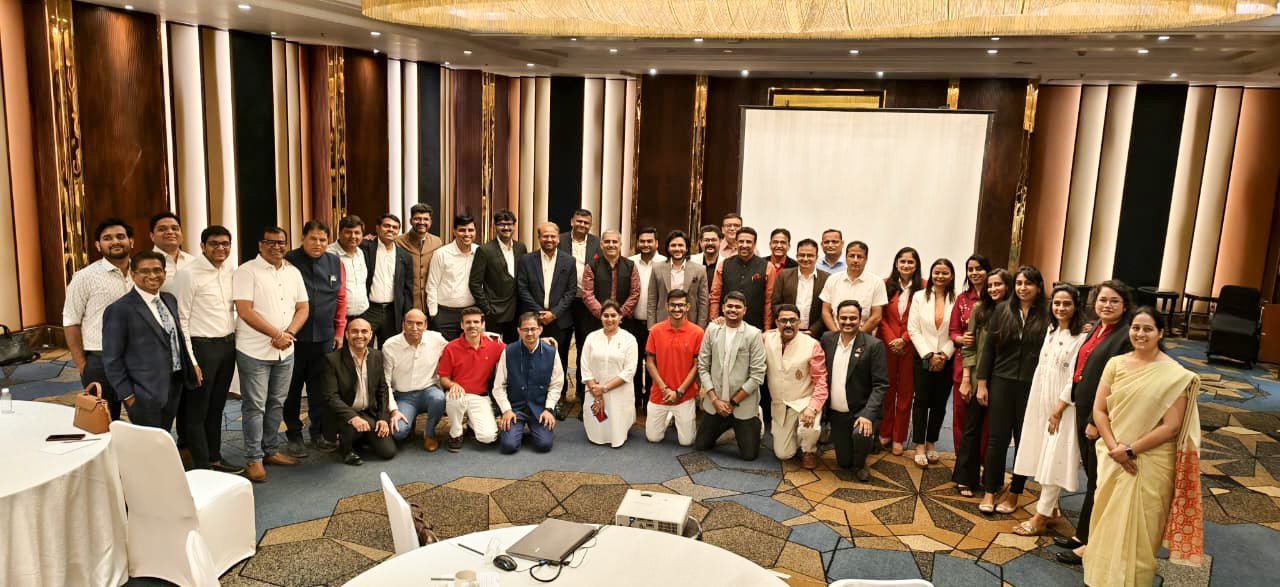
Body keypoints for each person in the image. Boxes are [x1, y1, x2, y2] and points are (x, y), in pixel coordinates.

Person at [1083, 307, 1202, 586]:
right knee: (1107, 520)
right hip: (1113, 456)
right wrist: (1115, 448)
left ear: (1161, 333)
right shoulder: (1115, 364)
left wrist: (1131, 451)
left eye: (1148, 329)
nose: (1140, 334)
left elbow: (1171, 426)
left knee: (1142, 532)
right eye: (1136, 328)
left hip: (1149, 461)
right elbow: (1099, 410)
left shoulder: (1174, 375)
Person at [1055, 280, 1134, 565]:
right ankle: (1082, 535)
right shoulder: (1098, 327)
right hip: (1084, 408)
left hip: (1099, 417)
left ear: (1125, 305)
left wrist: (1094, 421)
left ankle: (1091, 543)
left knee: (1099, 480)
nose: (1107, 305)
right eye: (1102, 300)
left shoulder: (1125, 335)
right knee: (1093, 478)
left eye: (1114, 301)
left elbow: (1116, 384)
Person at [1011, 284, 1088, 536]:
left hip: (1063, 406)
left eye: (1067, 304)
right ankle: (1052, 509)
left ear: (1076, 306)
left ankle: (1040, 517)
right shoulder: (1052, 330)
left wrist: (1058, 409)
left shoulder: (1081, 337)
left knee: (1055, 458)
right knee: (1042, 454)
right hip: (1042, 400)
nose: (1061, 308)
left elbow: (1075, 378)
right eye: (1057, 303)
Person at [233, 226, 308, 482]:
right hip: (254, 350)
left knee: (276, 402)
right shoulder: (246, 271)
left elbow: (303, 308)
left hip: (285, 351)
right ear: (260, 245)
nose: (277, 247)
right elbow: (245, 310)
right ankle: (254, 459)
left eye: (281, 242)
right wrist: (276, 334)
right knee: (254, 405)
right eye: (271, 242)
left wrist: (289, 334)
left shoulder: (293, 272)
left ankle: (270, 450)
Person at [975, 266, 1049, 514]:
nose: (1023, 288)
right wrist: (982, 383)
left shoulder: (1047, 315)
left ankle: (1015, 493)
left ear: (1038, 287)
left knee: (1023, 441)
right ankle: (989, 491)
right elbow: (989, 349)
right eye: (1019, 283)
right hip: (1001, 381)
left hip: (1032, 386)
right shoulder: (1002, 310)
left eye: (1028, 283)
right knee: (996, 439)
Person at [172, 225, 242, 473]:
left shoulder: (231, 271)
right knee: (197, 410)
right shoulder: (188, 274)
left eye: (225, 244)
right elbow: (181, 319)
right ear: (202, 246)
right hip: (201, 348)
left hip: (227, 346)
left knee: (217, 407)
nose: (220, 248)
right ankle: (201, 466)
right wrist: (191, 360)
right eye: (214, 243)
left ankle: (214, 457)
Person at [102, 251, 199, 429]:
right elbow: (111, 359)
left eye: (157, 270)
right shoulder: (119, 309)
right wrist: (128, 396)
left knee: (163, 435)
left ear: (164, 273)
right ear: (133, 275)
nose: (153, 275)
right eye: (145, 271)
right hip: (143, 393)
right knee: (146, 441)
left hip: (173, 385)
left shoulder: (169, 300)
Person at [283, 221, 347, 456]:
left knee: (320, 389)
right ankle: (294, 434)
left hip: (324, 337)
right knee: (292, 388)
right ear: (303, 238)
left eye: (323, 240)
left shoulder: (335, 262)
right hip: (294, 337)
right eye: (313, 239)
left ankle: (317, 432)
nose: (318, 244)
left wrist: (339, 331)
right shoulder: (289, 260)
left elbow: (341, 299)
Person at [65, 218, 135, 420]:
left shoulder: (142, 272)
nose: (115, 241)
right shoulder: (85, 277)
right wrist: (82, 364)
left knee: (143, 418)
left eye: (120, 236)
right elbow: (71, 321)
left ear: (131, 241)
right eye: (107, 238)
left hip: (138, 357)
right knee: (103, 421)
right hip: (100, 359)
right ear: (98, 245)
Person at [953, 269, 1013, 497]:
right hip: (978, 376)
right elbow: (969, 347)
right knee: (972, 427)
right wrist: (966, 379)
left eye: (998, 284)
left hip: (1004, 379)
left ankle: (992, 481)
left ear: (1008, 286)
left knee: (998, 433)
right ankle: (964, 478)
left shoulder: (1015, 312)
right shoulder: (980, 309)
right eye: (990, 285)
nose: (993, 289)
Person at [821, 300, 889, 481]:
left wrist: (867, 414)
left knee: (861, 434)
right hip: (837, 413)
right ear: (837, 318)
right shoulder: (827, 339)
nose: (848, 322)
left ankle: (861, 463)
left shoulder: (874, 345)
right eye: (843, 318)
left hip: (861, 410)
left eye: (853, 318)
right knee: (843, 462)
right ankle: (857, 447)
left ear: (861, 320)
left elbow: (881, 385)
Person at [694, 292, 766, 461]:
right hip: (716, 402)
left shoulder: (753, 334)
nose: (733, 310)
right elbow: (703, 367)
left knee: (749, 455)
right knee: (701, 445)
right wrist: (714, 400)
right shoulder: (712, 329)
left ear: (744, 310)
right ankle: (728, 424)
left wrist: (732, 403)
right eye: (730, 306)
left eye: (738, 307)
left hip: (741, 403)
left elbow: (757, 375)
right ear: (723, 308)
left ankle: (756, 419)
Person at [517, 222, 578, 416]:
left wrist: (554, 313)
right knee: (531, 360)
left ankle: (557, 400)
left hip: (559, 320)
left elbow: (571, 291)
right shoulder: (527, 260)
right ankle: (533, 400)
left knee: (559, 361)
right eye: (545, 236)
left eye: (553, 236)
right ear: (539, 238)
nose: (549, 239)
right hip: (532, 322)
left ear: (558, 238)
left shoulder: (569, 261)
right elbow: (522, 288)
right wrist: (538, 313)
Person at [322, 318, 395, 466]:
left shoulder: (377, 356)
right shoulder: (332, 360)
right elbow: (331, 397)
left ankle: (362, 437)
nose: (359, 335)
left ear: (371, 335)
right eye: (354, 331)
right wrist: (353, 417)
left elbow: (382, 389)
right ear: (347, 335)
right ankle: (345, 448)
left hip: (368, 412)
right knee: (352, 425)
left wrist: (382, 418)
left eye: (364, 331)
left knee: (388, 452)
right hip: (344, 414)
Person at [764, 305, 829, 469]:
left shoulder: (812, 345)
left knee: (809, 428)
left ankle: (809, 450)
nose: (788, 324)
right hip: (780, 405)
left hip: (804, 402)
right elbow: (746, 335)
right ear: (776, 323)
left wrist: (813, 408)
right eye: (783, 320)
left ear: (799, 322)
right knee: (783, 454)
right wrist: (721, 322)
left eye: (793, 320)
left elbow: (821, 382)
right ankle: (796, 436)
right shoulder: (766, 339)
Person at [906, 258, 956, 468]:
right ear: (931, 274)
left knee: (939, 403)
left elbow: (958, 330)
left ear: (951, 276)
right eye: (937, 272)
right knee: (921, 401)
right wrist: (929, 355)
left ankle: (931, 443)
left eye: (945, 273)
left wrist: (943, 354)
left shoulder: (957, 299)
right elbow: (913, 329)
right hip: (923, 357)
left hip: (947, 358)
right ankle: (918, 445)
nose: (940, 276)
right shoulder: (919, 296)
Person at [492, 312, 563, 454]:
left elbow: (556, 384)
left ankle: (532, 431)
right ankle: (515, 432)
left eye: (533, 329)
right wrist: (506, 410)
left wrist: (549, 409)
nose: (530, 333)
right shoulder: (508, 351)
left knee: (544, 445)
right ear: (519, 331)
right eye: (525, 329)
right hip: (515, 408)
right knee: (508, 446)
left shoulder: (551, 352)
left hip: (540, 409)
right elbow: (499, 386)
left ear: (540, 330)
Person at [438, 307, 505, 452]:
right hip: (458, 394)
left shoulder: (494, 345)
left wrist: (540, 340)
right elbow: (443, 378)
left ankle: (471, 424)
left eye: (476, 322)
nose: (472, 325)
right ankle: (455, 433)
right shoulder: (451, 347)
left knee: (488, 437)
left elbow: (517, 350)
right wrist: (452, 385)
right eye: (468, 322)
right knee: (455, 397)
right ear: (462, 325)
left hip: (479, 396)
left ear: (482, 324)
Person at [644, 289, 705, 446]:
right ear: (666, 306)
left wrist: (679, 392)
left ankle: (676, 416)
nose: (677, 309)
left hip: (684, 395)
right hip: (660, 394)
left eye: (681, 305)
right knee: (653, 438)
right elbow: (650, 362)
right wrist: (665, 389)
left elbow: (697, 366)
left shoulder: (698, 333)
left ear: (688, 307)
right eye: (673, 305)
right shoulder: (655, 330)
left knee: (687, 442)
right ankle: (670, 416)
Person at [877, 246, 922, 456]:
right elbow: (880, 316)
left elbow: (921, 318)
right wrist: (891, 339)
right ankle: (885, 431)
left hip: (910, 346)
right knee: (887, 390)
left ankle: (899, 437)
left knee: (905, 393)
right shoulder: (885, 284)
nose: (906, 265)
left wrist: (904, 340)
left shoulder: (924, 287)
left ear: (916, 265)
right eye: (902, 261)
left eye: (910, 262)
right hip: (887, 345)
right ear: (896, 263)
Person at [383, 309, 449, 452]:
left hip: (428, 391)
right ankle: (409, 422)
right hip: (403, 396)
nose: (414, 328)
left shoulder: (436, 339)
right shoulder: (390, 346)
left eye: (419, 324)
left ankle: (429, 434)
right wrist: (393, 410)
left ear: (426, 325)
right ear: (403, 325)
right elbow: (385, 381)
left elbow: (455, 348)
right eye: (410, 323)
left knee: (439, 398)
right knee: (398, 433)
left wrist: (483, 336)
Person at [949, 255, 991, 461]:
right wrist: (960, 339)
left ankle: (981, 461)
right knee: (961, 415)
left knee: (985, 418)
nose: (974, 273)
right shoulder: (962, 299)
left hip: (989, 367)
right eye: (970, 269)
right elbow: (953, 331)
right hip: (963, 364)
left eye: (979, 268)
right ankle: (962, 461)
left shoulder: (998, 299)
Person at [560, 208, 602, 413]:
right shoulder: (560, 240)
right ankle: (560, 393)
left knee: (585, 347)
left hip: (587, 303)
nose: (582, 225)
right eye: (579, 221)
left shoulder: (597, 243)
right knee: (561, 347)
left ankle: (582, 391)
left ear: (590, 225)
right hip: (563, 302)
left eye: (586, 223)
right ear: (572, 221)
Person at [580, 301, 639, 447]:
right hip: (594, 391)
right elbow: (585, 367)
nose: (609, 319)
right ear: (600, 317)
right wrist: (596, 391)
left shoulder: (629, 339)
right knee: (597, 432)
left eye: (613, 315)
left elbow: (629, 371)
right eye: (606, 315)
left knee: (616, 432)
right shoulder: (591, 338)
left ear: (620, 317)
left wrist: (605, 388)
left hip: (618, 392)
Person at [469, 209, 527, 342]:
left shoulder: (521, 248)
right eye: (501, 224)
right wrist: (487, 309)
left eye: (509, 224)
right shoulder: (485, 250)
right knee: (493, 348)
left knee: (512, 348)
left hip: (516, 310)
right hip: (494, 311)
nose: (506, 228)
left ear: (514, 226)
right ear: (494, 226)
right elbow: (475, 283)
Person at [360, 213, 415, 346]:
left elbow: (408, 290)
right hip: (369, 309)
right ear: (378, 228)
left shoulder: (405, 256)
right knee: (363, 347)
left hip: (393, 312)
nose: (391, 229)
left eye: (395, 227)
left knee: (389, 349)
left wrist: (407, 315)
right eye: (386, 226)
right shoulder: (364, 248)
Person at [709, 226, 776, 330]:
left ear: (754, 244)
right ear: (736, 243)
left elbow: (769, 301)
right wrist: (714, 321)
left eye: (748, 242)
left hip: (755, 326)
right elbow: (715, 296)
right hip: (725, 325)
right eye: (741, 241)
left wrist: (767, 328)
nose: (744, 245)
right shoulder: (724, 264)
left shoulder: (768, 267)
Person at [627, 227, 665, 411]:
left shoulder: (665, 263)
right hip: (632, 321)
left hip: (657, 324)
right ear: (637, 243)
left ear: (657, 243)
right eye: (642, 241)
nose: (646, 244)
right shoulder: (630, 262)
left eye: (650, 241)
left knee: (653, 364)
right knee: (633, 362)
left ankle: (651, 401)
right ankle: (634, 400)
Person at [426, 215, 479, 340]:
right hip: (445, 314)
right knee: (445, 350)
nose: (467, 234)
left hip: (471, 313)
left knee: (469, 350)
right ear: (454, 232)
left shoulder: (479, 252)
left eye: (470, 230)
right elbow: (432, 285)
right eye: (462, 230)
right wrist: (433, 314)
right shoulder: (442, 253)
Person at [820, 241, 888, 335]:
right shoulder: (833, 279)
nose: (855, 260)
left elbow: (876, 316)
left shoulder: (876, 282)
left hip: (864, 336)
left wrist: (856, 338)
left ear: (866, 259)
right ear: (846, 258)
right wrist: (837, 335)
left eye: (859, 257)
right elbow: (825, 311)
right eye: (852, 256)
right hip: (835, 334)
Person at [648, 230, 709, 328]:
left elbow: (703, 303)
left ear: (687, 248)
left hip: (690, 323)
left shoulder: (700, 270)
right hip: (662, 322)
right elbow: (652, 300)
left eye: (681, 245)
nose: (677, 249)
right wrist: (651, 327)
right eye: (673, 245)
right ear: (668, 248)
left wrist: (700, 328)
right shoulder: (657, 268)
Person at [770, 238, 830, 338]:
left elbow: (826, 310)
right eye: (802, 255)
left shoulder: (826, 278)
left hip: (814, 334)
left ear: (817, 257)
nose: (805, 259)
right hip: (786, 331)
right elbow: (776, 304)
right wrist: (788, 324)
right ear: (797, 256)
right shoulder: (784, 275)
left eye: (810, 255)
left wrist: (813, 331)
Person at [396, 203, 444, 313]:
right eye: (417, 218)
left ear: (430, 222)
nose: (422, 222)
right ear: (410, 221)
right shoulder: (398, 242)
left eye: (425, 219)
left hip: (431, 302)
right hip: (407, 302)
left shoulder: (437, 242)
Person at [331, 216, 370, 328]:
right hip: (338, 318)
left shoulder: (360, 252)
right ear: (339, 233)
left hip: (362, 314)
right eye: (348, 232)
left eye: (357, 233)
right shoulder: (330, 254)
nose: (353, 236)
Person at [149, 212, 195, 291]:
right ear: (152, 236)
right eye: (162, 229)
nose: (170, 232)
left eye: (175, 228)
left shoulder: (193, 261)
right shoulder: (144, 262)